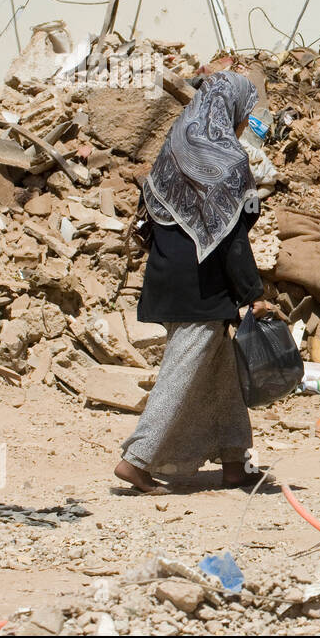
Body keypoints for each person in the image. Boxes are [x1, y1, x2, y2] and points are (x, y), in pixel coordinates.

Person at [113, 69, 277, 494]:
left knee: (222, 375)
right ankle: (137, 459)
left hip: (168, 276)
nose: (244, 123)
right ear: (232, 110)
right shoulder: (227, 159)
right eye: (244, 113)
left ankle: (235, 462)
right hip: (201, 289)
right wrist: (253, 295)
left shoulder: (175, 145)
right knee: (180, 375)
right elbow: (232, 239)